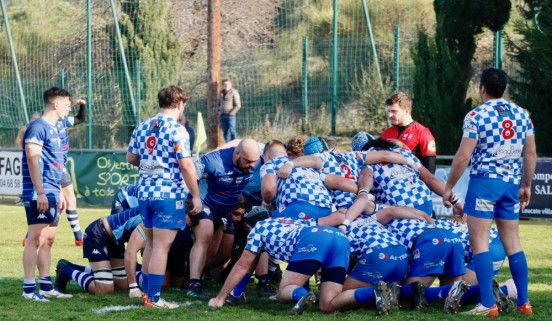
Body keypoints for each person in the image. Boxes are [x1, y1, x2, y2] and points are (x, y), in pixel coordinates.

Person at [443, 68, 536, 317]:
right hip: (510, 186)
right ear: (503, 87)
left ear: (482, 87)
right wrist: (526, 184)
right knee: (513, 243)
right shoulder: (522, 114)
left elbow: (464, 155)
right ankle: (524, 303)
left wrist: (449, 186)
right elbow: (530, 153)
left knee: (479, 243)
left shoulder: (475, 115)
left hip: (484, 184)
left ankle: (487, 304)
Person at [126, 85, 202, 309]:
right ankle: (154, 298)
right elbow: (186, 165)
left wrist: (151, 166)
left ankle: (148, 294)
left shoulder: (142, 126)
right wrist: (196, 196)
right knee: (161, 247)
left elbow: (131, 157)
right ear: (180, 104)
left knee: (150, 245)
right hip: (168, 195)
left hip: (145, 193)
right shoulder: (178, 130)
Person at [208, 217, 352, 316]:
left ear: (248, 226)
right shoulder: (283, 221)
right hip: (340, 237)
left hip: (315, 238)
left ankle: (302, 294)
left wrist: (220, 298)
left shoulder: (258, 228)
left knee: (283, 291)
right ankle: (371, 293)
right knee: (328, 304)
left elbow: (242, 265)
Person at [188, 138, 261, 299]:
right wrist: (194, 198)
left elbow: (273, 150)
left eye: (254, 162)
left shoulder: (257, 158)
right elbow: (189, 173)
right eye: (248, 161)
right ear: (236, 153)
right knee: (205, 235)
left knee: (224, 253)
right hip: (207, 205)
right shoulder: (213, 161)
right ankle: (194, 283)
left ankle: (205, 273)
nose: (251, 165)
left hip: (227, 210)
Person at [21, 87, 73, 301]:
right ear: (56, 104)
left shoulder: (54, 128)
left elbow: (56, 165)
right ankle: (28, 290)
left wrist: (59, 191)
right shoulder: (37, 127)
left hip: (52, 191)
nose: (70, 108)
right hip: (38, 193)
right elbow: (33, 160)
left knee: (48, 240)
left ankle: (46, 286)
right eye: (67, 104)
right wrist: (40, 192)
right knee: (35, 239)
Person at [54, 207, 143, 295]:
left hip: (116, 239)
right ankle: (65, 270)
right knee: (104, 290)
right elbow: (131, 252)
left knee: (122, 285)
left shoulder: (151, 211)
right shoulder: (150, 217)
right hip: (98, 234)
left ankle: (74, 267)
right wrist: (134, 287)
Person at [381, 92, 437, 174]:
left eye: (394, 111)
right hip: (389, 184)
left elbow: (430, 167)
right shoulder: (386, 133)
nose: (390, 115)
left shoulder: (422, 132)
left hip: (412, 183)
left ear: (406, 111)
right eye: (389, 111)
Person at [56, 99, 87, 246]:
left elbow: (80, 119)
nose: (69, 109)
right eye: (67, 106)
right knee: (67, 201)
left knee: (59, 203)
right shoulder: (53, 124)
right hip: (56, 167)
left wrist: (83, 106)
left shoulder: (63, 121)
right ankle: (79, 236)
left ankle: (30, 234)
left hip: (59, 165)